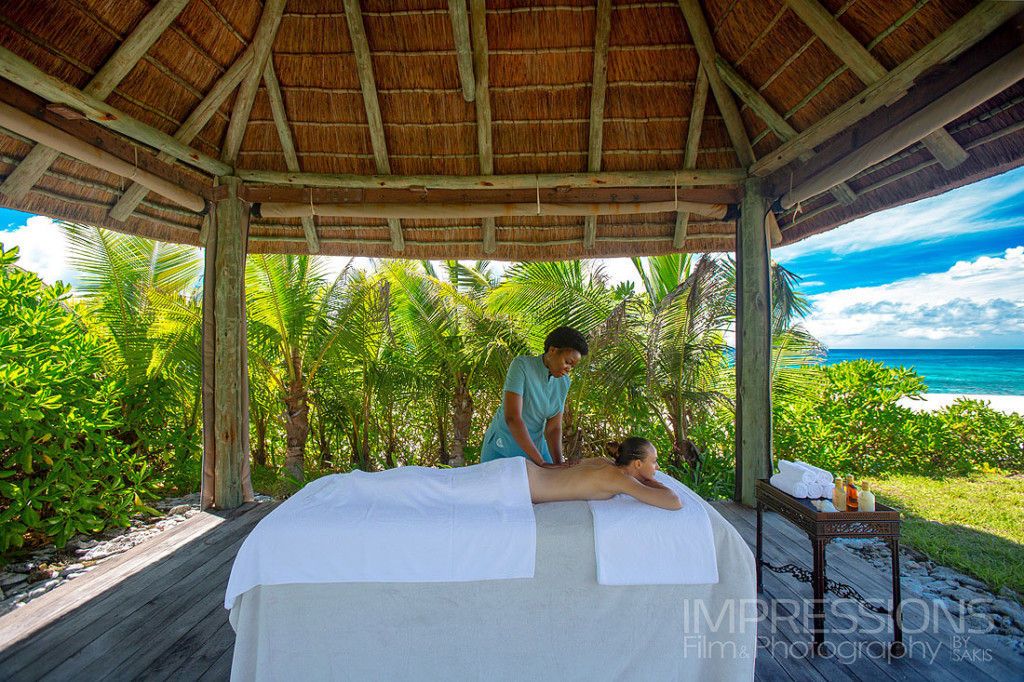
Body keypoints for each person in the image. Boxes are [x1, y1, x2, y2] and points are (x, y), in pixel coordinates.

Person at [480, 326, 588, 467]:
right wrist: (541, 463)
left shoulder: (564, 382)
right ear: (552, 350)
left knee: (555, 481)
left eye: (572, 366)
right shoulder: (522, 365)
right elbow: (512, 418)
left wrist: (559, 464)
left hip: (536, 448)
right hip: (503, 446)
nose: (569, 369)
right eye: (567, 362)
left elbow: (554, 428)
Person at [526, 437, 682, 510]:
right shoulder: (618, 478)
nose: (658, 466)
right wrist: (652, 483)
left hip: (524, 471)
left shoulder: (603, 462)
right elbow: (674, 502)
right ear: (638, 464)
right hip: (520, 484)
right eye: (654, 461)